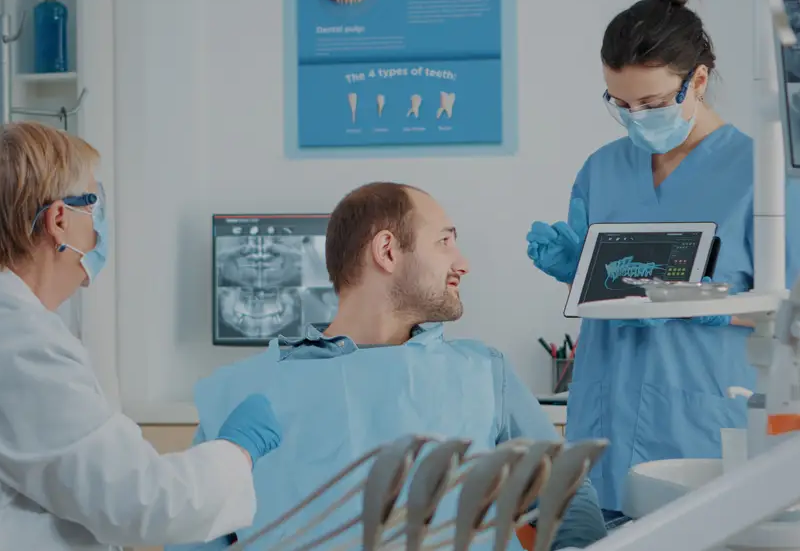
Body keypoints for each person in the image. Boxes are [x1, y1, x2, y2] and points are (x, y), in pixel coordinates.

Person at [0, 122, 282, 551]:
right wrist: (238, 450)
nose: (102, 223)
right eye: (96, 203)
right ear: (59, 219)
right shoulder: (14, 346)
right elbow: (145, 504)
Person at [524, 0, 800, 526]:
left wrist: (703, 308)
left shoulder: (761, 174)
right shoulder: (602, 171)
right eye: (620, 103)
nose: (637, 118)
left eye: (653, 101)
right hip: (602, 432)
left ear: (700, 79)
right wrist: (577, 273)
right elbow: (613, 290)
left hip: (702, 438)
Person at [170, 182, 607, 551]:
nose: (463, 263)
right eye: (444, 241)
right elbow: (193, 536)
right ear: (387, 250)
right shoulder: (241, 398)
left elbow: (570, 503)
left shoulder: (484, 373)